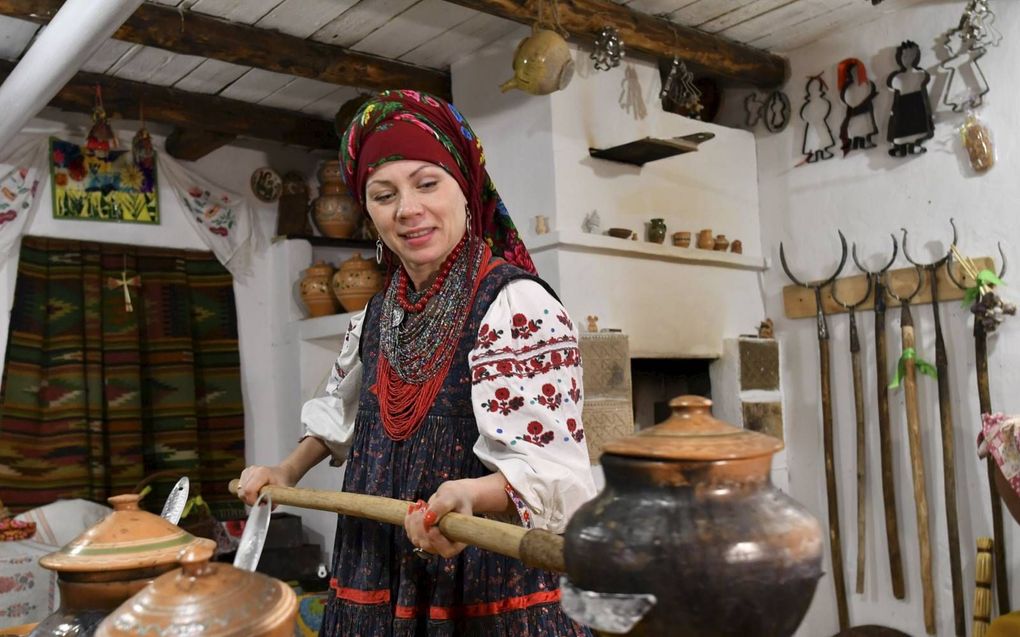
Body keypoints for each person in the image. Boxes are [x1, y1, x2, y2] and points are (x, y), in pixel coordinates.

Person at [237, 89, 596, 636]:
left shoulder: (515, 304)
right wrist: (285, 471)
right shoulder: (379, 313)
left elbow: (550, 468)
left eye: (428, 184)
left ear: (466, 187)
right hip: (376, 563)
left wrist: (468, 493)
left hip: (476, 574)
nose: (408, 210)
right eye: (384, 195)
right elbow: (349, 414)